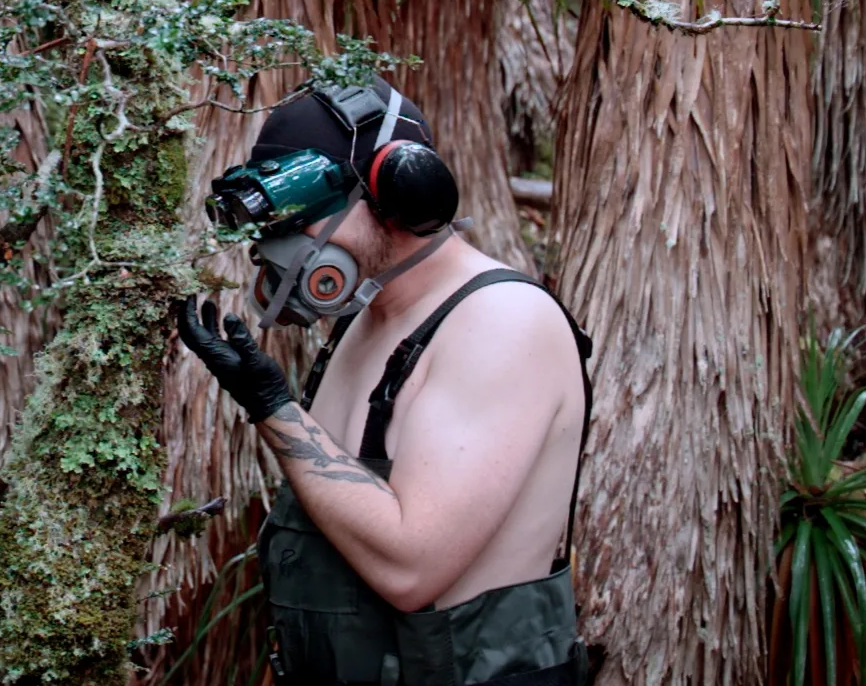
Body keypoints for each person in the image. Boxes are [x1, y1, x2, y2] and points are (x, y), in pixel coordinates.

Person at [178, 76, 593, 685]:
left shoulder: (501, 323)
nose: (284, 248)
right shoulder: (361, 324)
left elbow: (411, 568)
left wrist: (274, 408)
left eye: (304, 221)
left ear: (399, 192)